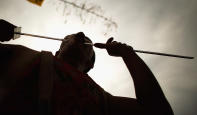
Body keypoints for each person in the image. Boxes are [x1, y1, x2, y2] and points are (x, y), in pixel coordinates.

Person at [0, 19, 174, 115]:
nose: (79, 35)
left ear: (90, 63)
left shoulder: (101, 99)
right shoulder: (24, 56)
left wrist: (128, 54)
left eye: (88, 42)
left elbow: (157, 111)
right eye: (68, 37)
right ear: (58, 49)